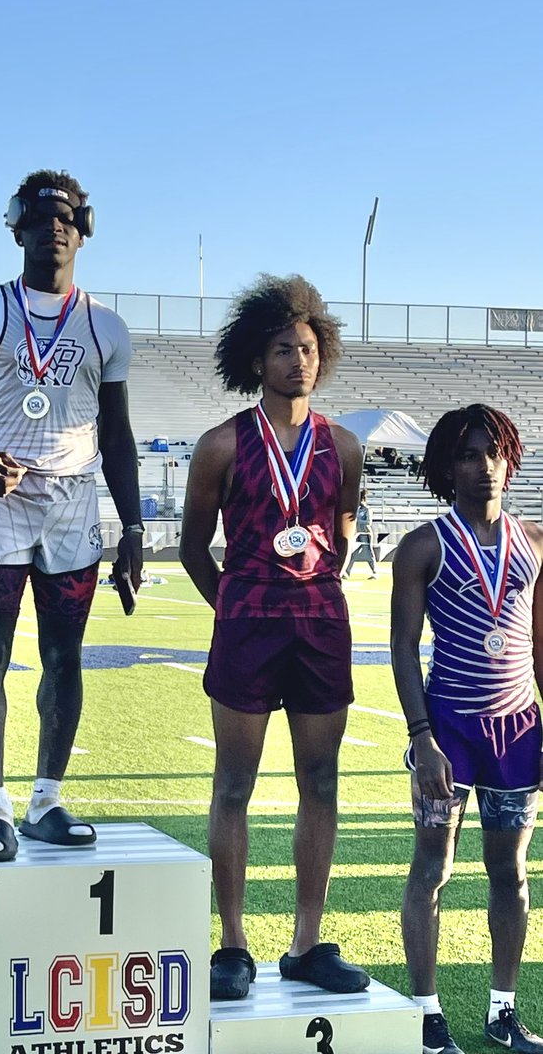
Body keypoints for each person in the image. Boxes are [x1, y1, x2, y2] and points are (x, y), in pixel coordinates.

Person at [0, 169, 143, 863]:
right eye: (41, 215)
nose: (55, 225)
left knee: (63, 656)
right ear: (17, 226)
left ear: (83, 231)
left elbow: (116, 435)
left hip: (74, 500)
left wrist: (135, 528)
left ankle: (47, 799)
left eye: (67, 217)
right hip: (1, 498)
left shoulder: (106, 327)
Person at [179, 272, 368, 1001]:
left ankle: (306, 942)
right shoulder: (222, 446)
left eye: (310, 347)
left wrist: (310, 590)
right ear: (258, 360)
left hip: (320, 624)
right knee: (235, 784)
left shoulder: (343, 447)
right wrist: (232, 607)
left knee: (320, 781)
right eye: (285, 348)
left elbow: (343, 535)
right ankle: (232, 943)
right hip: (247, 626)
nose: (300, 360)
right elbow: (196, 548)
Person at [391, 405, 543, 1054]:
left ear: (511, 458)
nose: (485, 467)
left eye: (494, 453)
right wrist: (421, 738)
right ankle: (427, 1018)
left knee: (510, 873)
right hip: (448, 731)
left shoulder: (534, 541)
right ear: (445, 468)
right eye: (468, 456)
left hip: (518, 732)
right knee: (432, 869)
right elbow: (401, 648)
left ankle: (502, 1014)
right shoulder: (424, 545)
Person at [342, 488, 378, 579]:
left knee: (369, 552)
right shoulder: (357, 509)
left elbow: (368, 522)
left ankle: (374, 572)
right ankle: (347, 572)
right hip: (358, 533)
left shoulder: (367, 509)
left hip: (366, 532)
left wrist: (357, 520)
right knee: (353, 552)